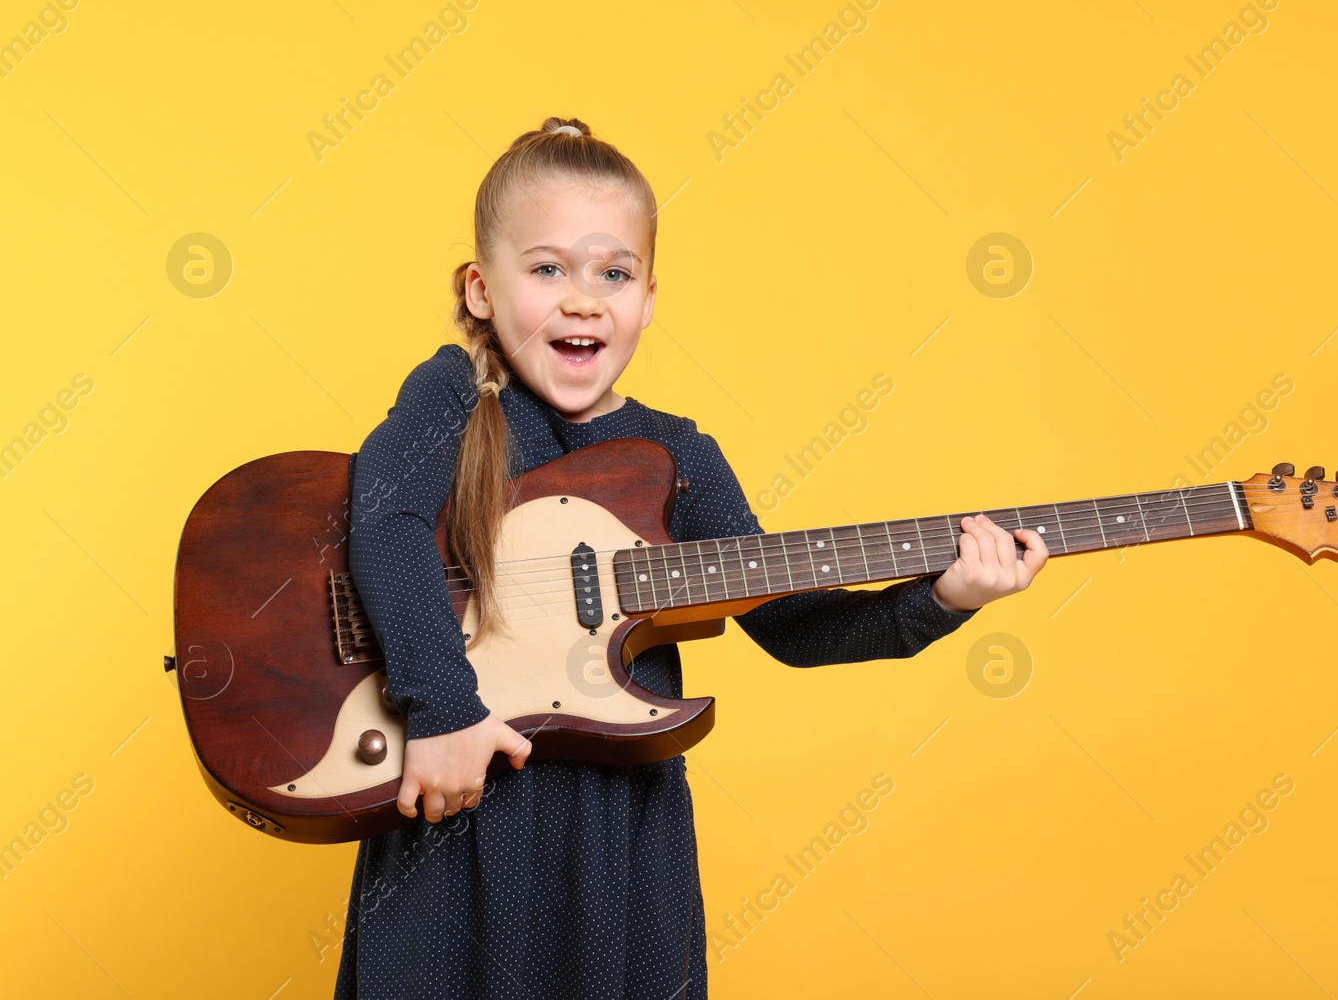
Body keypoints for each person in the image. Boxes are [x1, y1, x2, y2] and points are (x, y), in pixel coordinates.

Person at [333, 117, 1049, 999]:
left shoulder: (676, 455)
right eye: (548, 268)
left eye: (614, 273)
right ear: (481, 288)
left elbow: (791, 624)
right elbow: (384, 519)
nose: (585, 298)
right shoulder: (449, 393)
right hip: (460, 824)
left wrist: (943, 597)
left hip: (618, 844)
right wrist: (440, 709)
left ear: (649, 296)